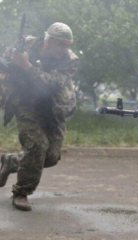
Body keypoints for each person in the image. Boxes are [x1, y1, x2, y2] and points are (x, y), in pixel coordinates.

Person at [0, 22, 79, 211]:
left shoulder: (71, 60)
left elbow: (52, 84)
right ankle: (21, 193)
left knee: (51, 157)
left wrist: (26, 65)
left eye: (68, 44)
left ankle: (10, 161)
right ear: (48, 40)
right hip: (26, 104)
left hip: (54, 108)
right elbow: (4, 62)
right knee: (37, 145)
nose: (65, 49)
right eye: (61, 44)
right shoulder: (25, 44)